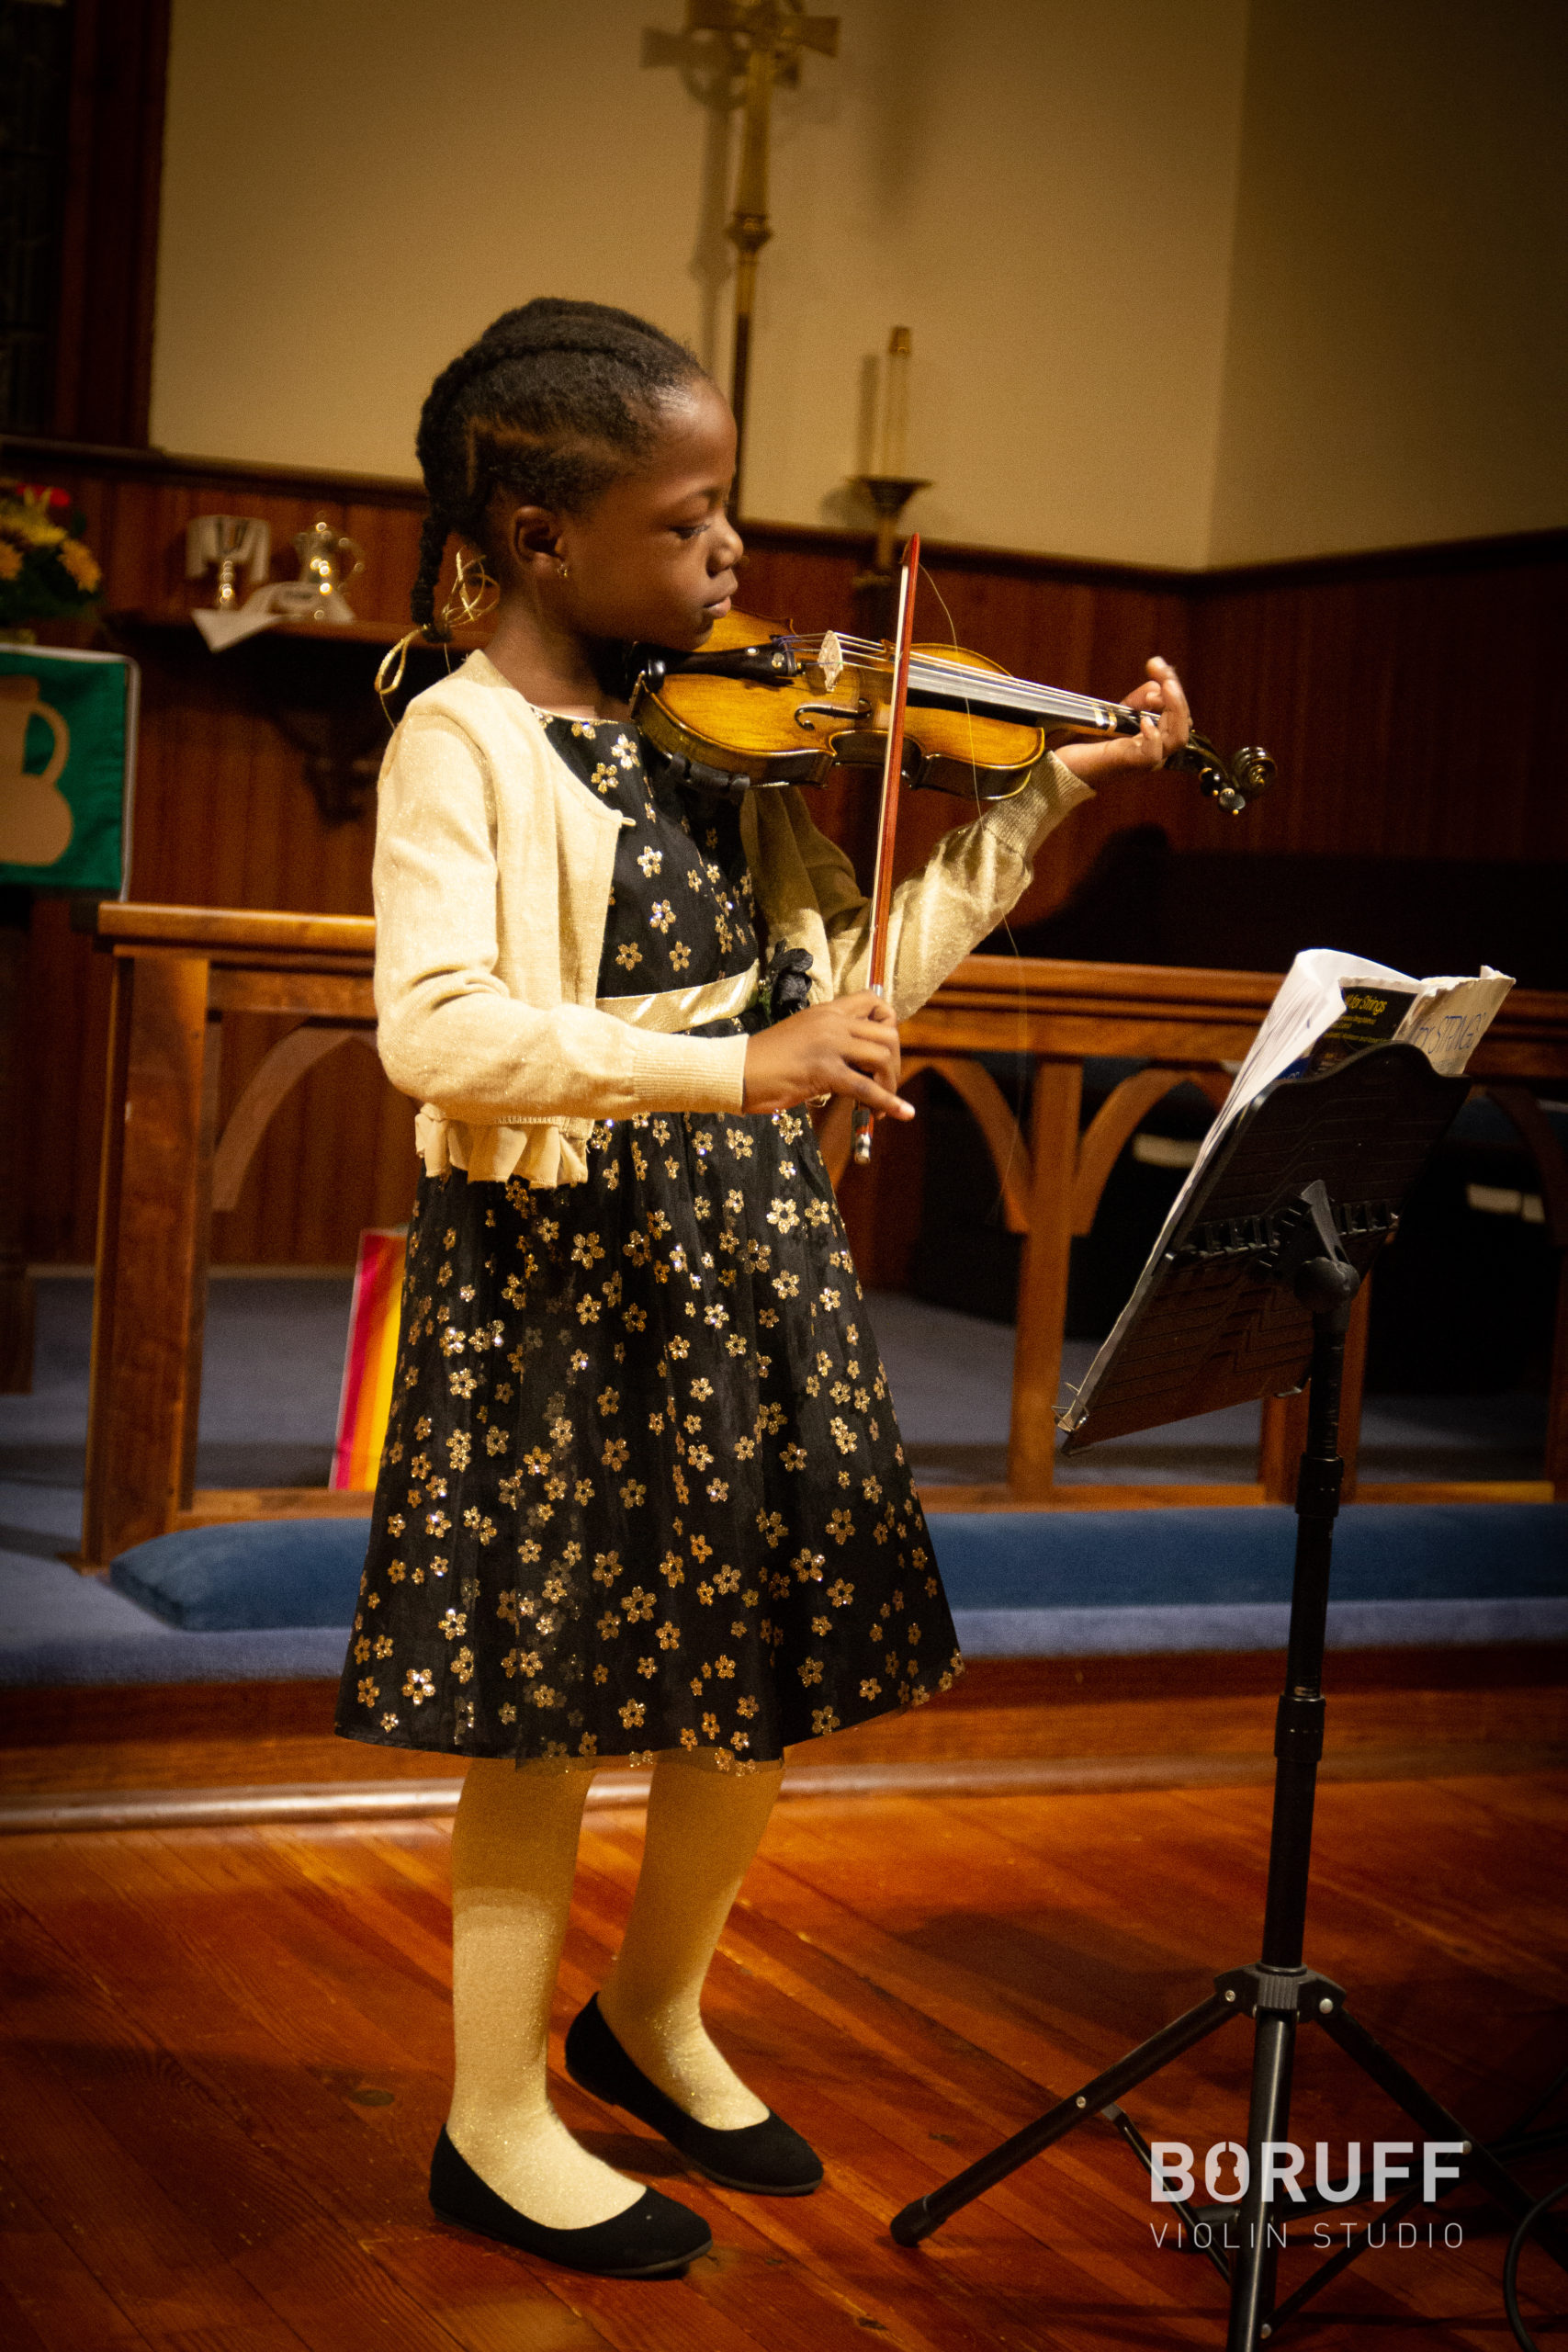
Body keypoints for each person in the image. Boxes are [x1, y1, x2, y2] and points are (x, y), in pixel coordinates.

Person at [334, 298, 1190, 2279]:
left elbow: (851, 993)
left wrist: (1047, 793)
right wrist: (739, 1069)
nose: (733, 556)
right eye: (690, 518)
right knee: (545, 1705)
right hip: (563, 1270)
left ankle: (650, 2014)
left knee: (752, 1673)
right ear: (539, 535)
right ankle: (489, 2116)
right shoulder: (462, 736)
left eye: (730, 511)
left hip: (745, 1259)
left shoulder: (720, 743)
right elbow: (434, 1027)